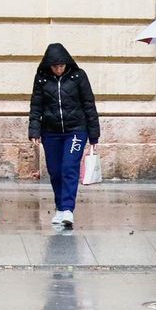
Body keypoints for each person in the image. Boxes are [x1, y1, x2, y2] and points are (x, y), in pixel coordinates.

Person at [28, 43, 100, 230]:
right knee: (55, 171)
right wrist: (34, 130)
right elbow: (36, 105)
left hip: (76, 130)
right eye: (55, 66)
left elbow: (89, 104)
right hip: (50, 132)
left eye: (61, 66)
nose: (59, 70)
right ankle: (60, 208)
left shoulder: (78, 76)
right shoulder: (42, 78)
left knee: (69, 167)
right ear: (49, 65)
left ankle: (68, 209)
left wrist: (94, 135)